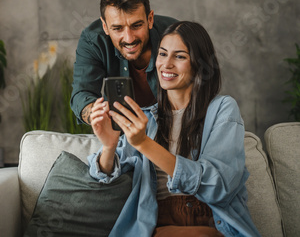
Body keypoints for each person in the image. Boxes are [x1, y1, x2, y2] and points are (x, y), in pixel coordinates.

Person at [88, 21, 260, 236]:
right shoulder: (147, 118)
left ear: (199, 64)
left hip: (209, 220)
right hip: (155, 222)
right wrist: (109, 146)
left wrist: (144, 143)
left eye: (179, 56)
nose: (166, 64)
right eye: (162, 54)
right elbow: (103, 174)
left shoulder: (222, 109)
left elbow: (218, 186)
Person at [71, 0, 177, 125]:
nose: (129, 38)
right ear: (105, 27)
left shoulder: (177, 34)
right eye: (117, 28)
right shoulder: (93, 40)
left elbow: (200, 87)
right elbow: (82, 93)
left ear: (150, 19)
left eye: (137, 25)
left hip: (173, 127)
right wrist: (98, 116)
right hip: (121, 133)